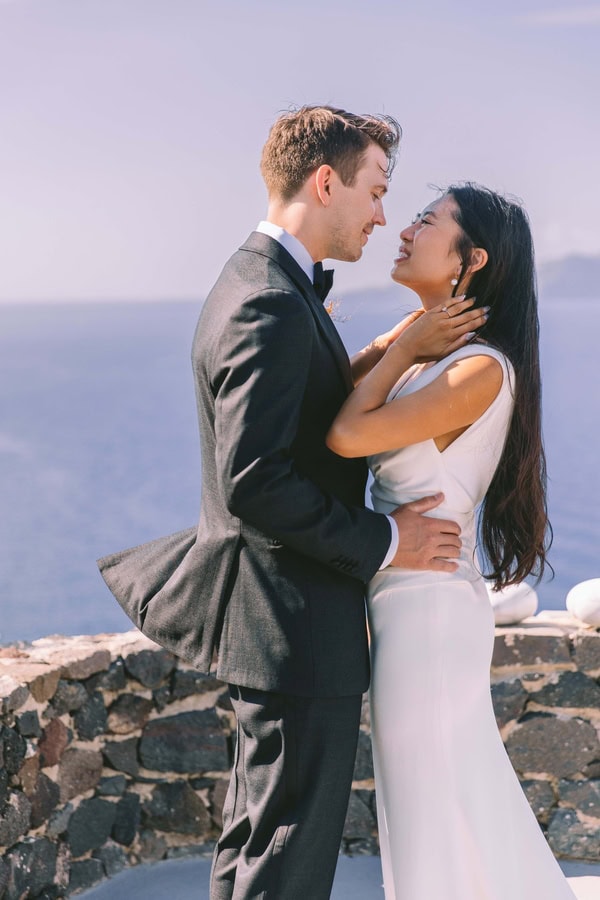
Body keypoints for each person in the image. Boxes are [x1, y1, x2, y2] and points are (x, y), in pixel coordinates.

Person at [98, 107, 485, 900]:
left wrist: (389, 348)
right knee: (287, 858)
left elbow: (298, 423)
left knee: (261, 843)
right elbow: (255, 480)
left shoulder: (262, 284)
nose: (383, 214)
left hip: (280, 623)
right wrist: (386, 542)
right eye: (376, 191)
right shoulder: (268, 303)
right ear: (324, 181)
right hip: (294, 624)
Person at [327, 183, 575, 899]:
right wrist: (399, 342)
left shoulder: (477, 369)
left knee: (431, 809)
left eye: (426, 221)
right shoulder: (429, 350)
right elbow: (326, 400)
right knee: (433, 806)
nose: (403, 228)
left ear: (472, 259)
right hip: (405, 602)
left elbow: (345, 435)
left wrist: (402, 344)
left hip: (430, 612)